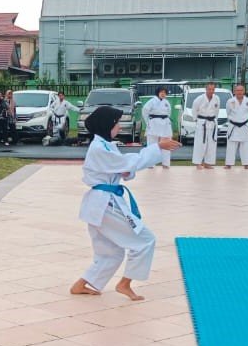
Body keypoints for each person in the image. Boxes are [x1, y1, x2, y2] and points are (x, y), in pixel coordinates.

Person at [70, 107, 182, 301]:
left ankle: (81, 285)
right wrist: (157, 148)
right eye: (116, 122)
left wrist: (125, 169)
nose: (119, 126)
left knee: (110, 252)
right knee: (145, 240)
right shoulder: (99, 148)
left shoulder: (105, 145)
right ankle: (124, 284)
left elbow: (122, 165)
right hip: (104, 204)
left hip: (101, 204)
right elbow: (129, 163)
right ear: (108, 125)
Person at [191, 82, 221, 169]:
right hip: (202, 122)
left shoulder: (217, 98)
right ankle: (198, 163)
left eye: (213, 89)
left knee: (211, 143)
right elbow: (194, 110)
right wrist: (196, 120)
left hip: (212, 122)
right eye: (209, 89)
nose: (211, 91)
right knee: (200, 143)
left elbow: (217, 111)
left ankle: (208, 163)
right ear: (206, 89)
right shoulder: (199, 99)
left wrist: (214, 119)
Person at [225, 84, 248, 169]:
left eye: (241, 90)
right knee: (231, 145)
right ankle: (228, 164)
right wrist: (235, 119)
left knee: (245, 145)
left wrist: (242, 119)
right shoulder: (230, 101)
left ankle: (247, 164)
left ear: (244, 91)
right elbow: (228, 112)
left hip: (244, 125)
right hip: (233, 125)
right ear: (234, 92)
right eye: (237, 90)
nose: (239, 92)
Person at [142, 87, 173, 168]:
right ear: (157, 93)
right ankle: (150, 163)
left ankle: (166, 163)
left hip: (165, 123)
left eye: (164, 92)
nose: (163, 94)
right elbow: (145, 111)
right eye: (161, 92)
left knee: (166, 143)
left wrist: (166, 120)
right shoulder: (152, 101)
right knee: (152, 144)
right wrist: (148, 122)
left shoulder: (166, 102)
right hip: (154, 123)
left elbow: (169, 113)